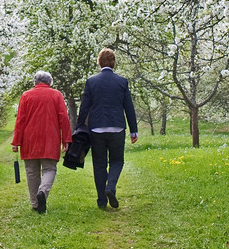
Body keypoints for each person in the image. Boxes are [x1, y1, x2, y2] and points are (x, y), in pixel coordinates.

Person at [76, 48, 137, 210]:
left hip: (96, 129)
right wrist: (133, 130)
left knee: (99, 164)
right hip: (117, 128)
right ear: (113, 62)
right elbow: (128, 107)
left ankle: (102, 201)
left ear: (99, 62)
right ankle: (110, 186)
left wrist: (79, 126)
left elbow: (85, 107)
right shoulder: (122, 82)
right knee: (117, 160)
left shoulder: (91, 81)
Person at [10, 70, 71, 214]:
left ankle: (36, 204)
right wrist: (66, 139)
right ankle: (43, 191)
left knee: (32, 172)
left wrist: (16, 142)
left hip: (29, 139)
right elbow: (63, 117)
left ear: (35, 82)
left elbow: (20, 120)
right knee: (50, 169)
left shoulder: (26, 96)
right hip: (50, 138)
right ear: (49, 82)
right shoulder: (56, 95)